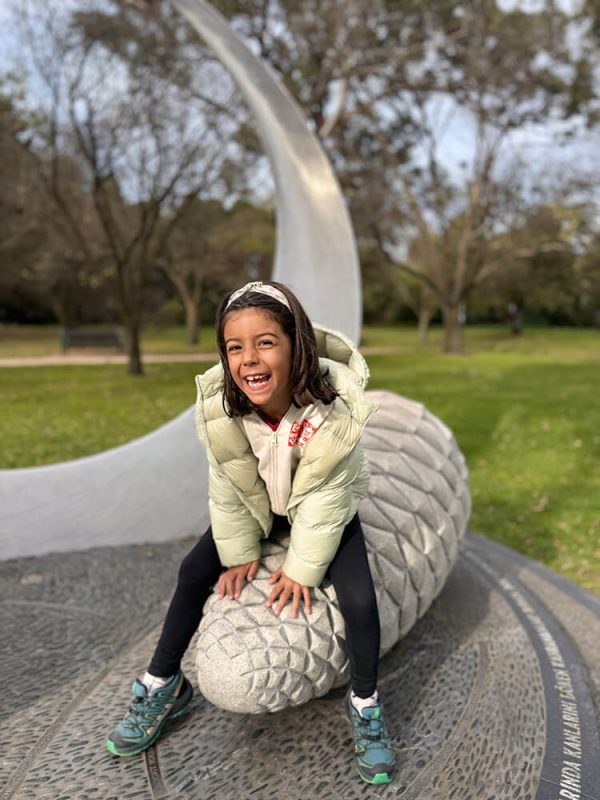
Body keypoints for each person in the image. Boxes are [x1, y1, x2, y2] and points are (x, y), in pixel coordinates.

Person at [106, 280, 395, 785]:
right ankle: (163, 683)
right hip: (259, 506)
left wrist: (303, 567)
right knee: (194, 569)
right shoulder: (223, 408)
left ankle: (366, 703)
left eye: (265, 342)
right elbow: (227, 481)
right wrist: (238, 550)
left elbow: (327, 500)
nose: (248, 359)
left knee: (361, 601)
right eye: (234, 347)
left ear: (296, 343)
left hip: (322, 505)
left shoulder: (332, 410)